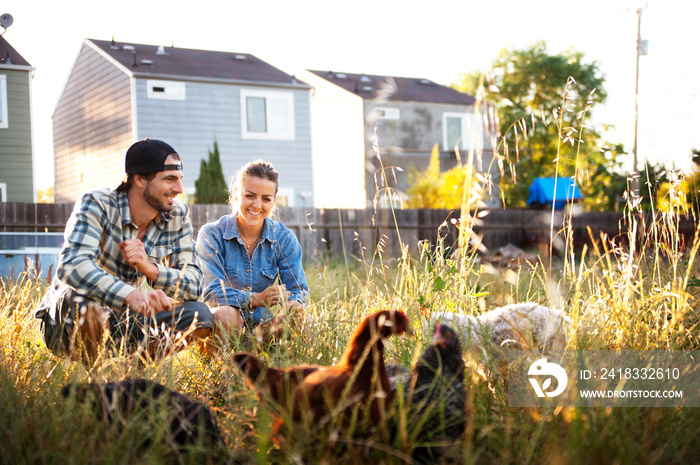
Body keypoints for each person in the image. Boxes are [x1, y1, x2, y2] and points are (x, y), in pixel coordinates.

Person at [34, 139, 214, 363]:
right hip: (65, 321)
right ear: (139, 178)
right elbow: (72, 266)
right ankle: (98, 381)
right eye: (169, 179)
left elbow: (194, 284)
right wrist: (130, 295)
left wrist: (149, 268)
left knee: (200, 315)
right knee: (81, 300)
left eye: (179, 180)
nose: (178, 189)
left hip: (126, 322)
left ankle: (127, 372)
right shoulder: (97, 203)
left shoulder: (177, 215)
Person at [196, 160, 308, 343]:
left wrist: (292, 306)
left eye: (266, 199)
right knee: (226, 315)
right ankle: (222, 368)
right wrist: (254, 299)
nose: (257, 205)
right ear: (236, 196)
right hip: (221, 327)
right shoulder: (211, 235)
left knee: (302, 318)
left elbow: (298, 291)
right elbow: (211, 292)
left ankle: (283, 368)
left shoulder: (284, 239)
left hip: (262, 330)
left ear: (273, 202)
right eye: (250, 196)